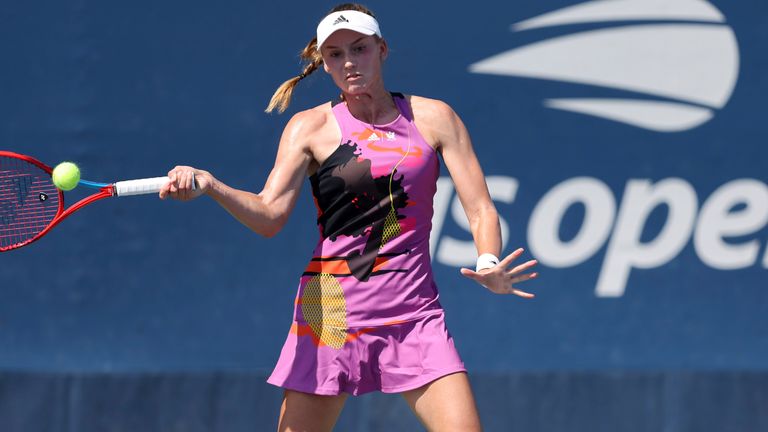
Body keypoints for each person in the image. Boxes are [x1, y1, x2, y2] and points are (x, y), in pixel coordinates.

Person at [160, 3, 538, 431]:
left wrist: (489, 260)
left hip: (414, 314)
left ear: (382, 49)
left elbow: (480, 208)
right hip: (331, 312)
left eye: (359, 48)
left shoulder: (435, 118)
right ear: (324, 63)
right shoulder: (310, 128)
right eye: (335, 55)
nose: (349, 62)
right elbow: (269, 216)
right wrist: (213, 186)